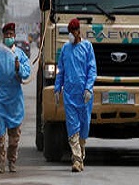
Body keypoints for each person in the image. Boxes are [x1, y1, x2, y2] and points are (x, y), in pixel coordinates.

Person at [0, 22, 31, 173]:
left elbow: (27, 72)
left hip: (15, 100)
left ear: (14, 36)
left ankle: (12, 161)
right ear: (3, 37)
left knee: (14, 137)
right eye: (6, 35)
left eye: (11, 35)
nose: (9, 37)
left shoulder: (20, 54)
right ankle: (0, 162)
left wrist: (19, 68)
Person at [54, 18, 97, 172]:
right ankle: (77, 160)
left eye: (74, 31)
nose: (72, 34)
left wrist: (88, 89)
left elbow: (92, 70)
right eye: (70, 31)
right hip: (70, 95)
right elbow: (61, 70)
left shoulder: (87, 47)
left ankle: (81, 152)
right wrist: (57, 89)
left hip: (84, 96)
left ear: (79, 31)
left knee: (84, 127)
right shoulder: (65, 49)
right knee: (73, 127)